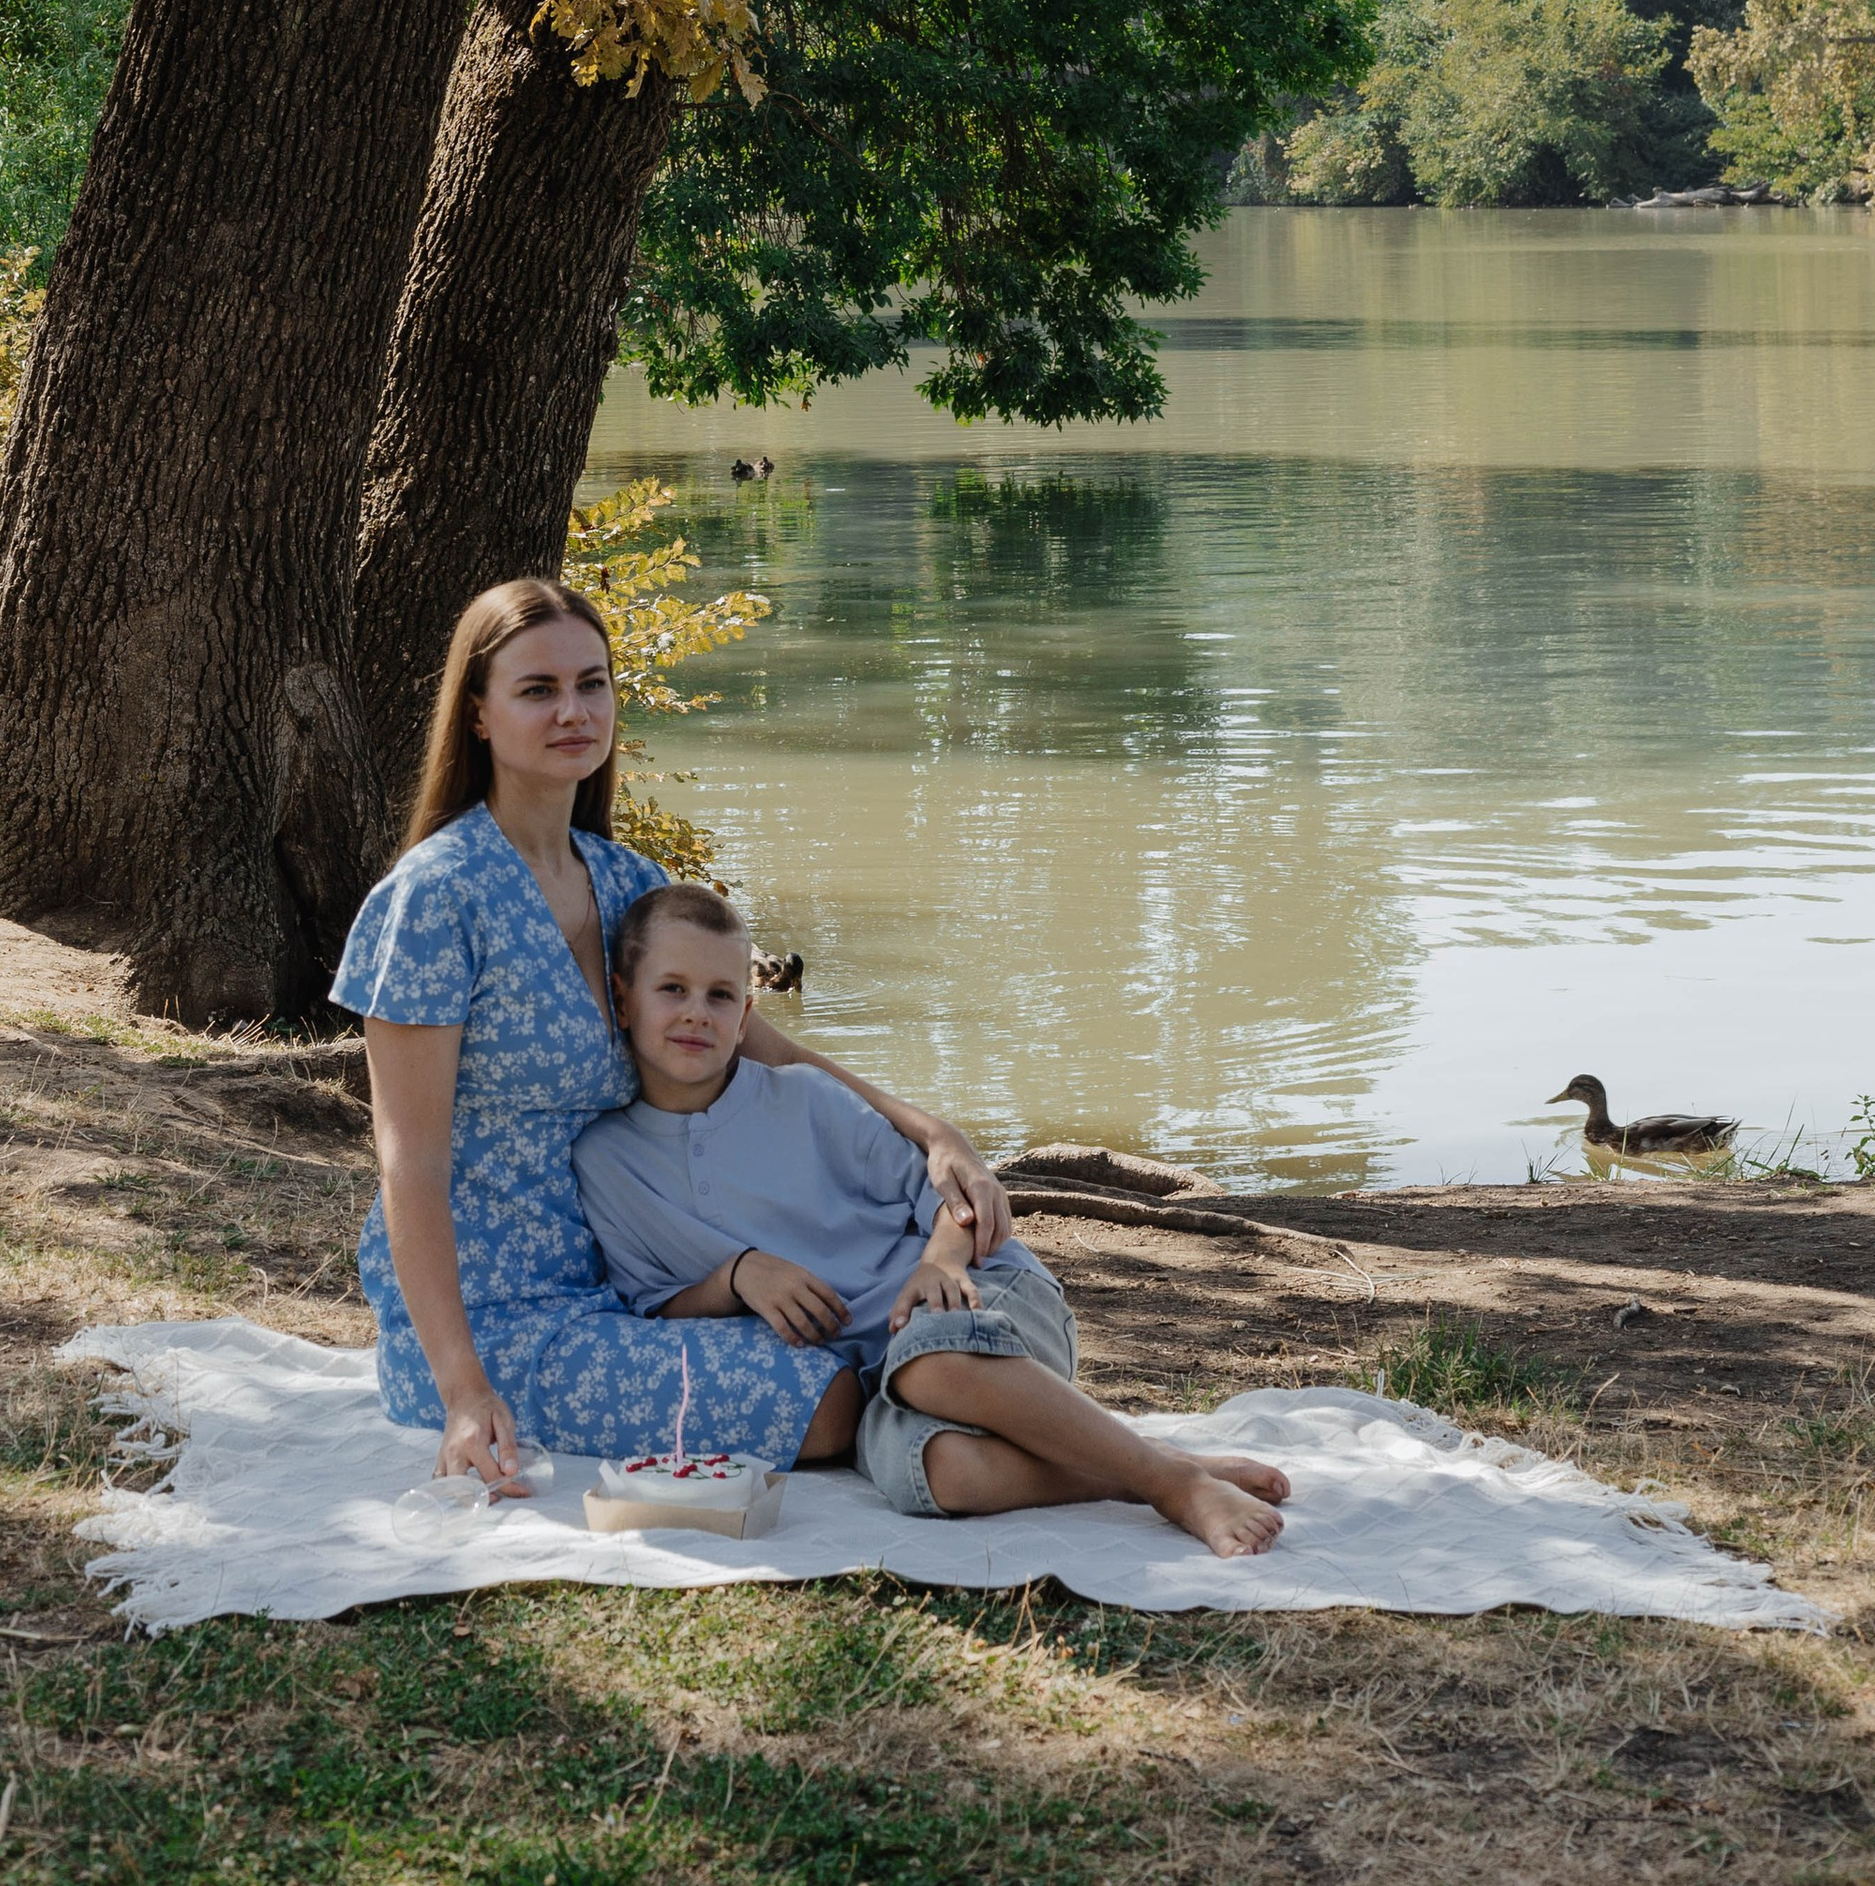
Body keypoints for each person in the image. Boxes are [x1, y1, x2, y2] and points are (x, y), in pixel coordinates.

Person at [335, 575, 1011, 1496]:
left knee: (874, 1347)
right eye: (538, 689)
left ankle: (1103, 1470)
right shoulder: (433, 898)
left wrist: (932, 1133)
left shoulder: (628, 883)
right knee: (827, 1399)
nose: (573, 710)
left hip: (644, 1284)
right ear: (480, 715)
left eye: (593, 683)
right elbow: (408, 1164)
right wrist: (463, 1390)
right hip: (496, 1316)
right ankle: (1107, 1474)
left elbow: (765, 1047)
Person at [574, 882, 1292, 1559]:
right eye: (672, 989)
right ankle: (1143, 1465)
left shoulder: (805, 1100)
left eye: (720, 995)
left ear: (747, 1017)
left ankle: (1177, 1486)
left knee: (934, 1364)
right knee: (943, 1473)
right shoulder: (605, 1161)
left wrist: (939, 1261)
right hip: (883, 1374)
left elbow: (953, 1197)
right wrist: (738, 1276)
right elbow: (657, 1302)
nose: (696, 1013)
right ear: (622, 1000)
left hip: (984, 1296)